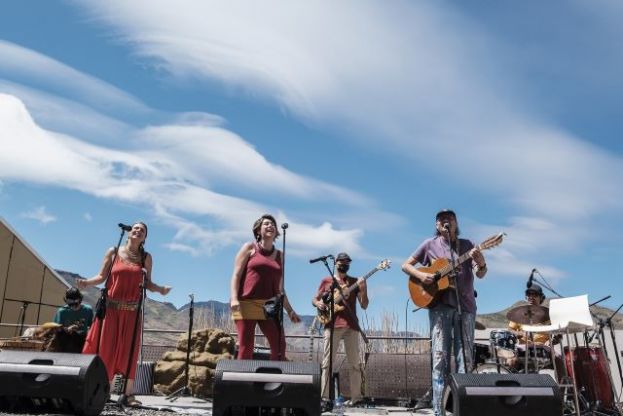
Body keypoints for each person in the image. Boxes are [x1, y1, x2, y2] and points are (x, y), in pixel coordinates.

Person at [401, 209, 487, 416]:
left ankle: (461, 409)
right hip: (439, 307)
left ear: (456, 223)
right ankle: (439, 411)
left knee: (464, 358)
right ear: (437, 225)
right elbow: (405, 265)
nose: (445, 221)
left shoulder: (467, 246)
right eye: (441, 219)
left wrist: (482, 262)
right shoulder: (429, 244)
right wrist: (422, 277)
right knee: (440, 358)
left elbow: (481, 274)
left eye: (450, 218)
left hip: (466, 307)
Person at [77, 221, 171, 407]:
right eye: (135, 228)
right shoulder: (113, 251)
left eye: (142, 230)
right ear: (129, 233)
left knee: (129, 351)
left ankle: (128, 395)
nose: (138, 231)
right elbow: (102, 276)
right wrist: (86, 283)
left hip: (132, 312)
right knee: (106, 349)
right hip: (111, 310)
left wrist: (160, 289)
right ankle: (101, 391)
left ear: (145, 237)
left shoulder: (146, 257)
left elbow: (148, 283)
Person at [230, 214, 301, 361]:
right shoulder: (249, 248)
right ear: (258, 230)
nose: (270, 226)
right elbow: (236, 275)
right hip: (246, 303)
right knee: (246, 346)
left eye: (273, 224)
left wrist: (290, 310)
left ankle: (273, 380)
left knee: (279, 345)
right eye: (266, 224)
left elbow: (280, 287)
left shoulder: (280, 256)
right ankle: (241, 381)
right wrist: (234, 298)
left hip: (270, 306)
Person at [312, 252, 368, 406]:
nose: (344, 264)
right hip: (332, 324)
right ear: (335, 263)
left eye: (347, 262)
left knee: (355, 363)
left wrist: (363, 289)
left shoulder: (355, 281)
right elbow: (314, 299)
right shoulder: (326, 280)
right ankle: (324, 398)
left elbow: (364, 305)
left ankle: (356, 398)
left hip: (351, 326)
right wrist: (319, 304)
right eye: (341, 261)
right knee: (327, 363)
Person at [50, 287, 94, 352]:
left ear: (79, 299)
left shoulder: (88, 310)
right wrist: (67, 329)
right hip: (66, 343)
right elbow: (56, 330)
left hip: (81, 343)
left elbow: (91, 328)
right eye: (70, 304)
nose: (73, 307)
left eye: (75, 304)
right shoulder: (62, 311)